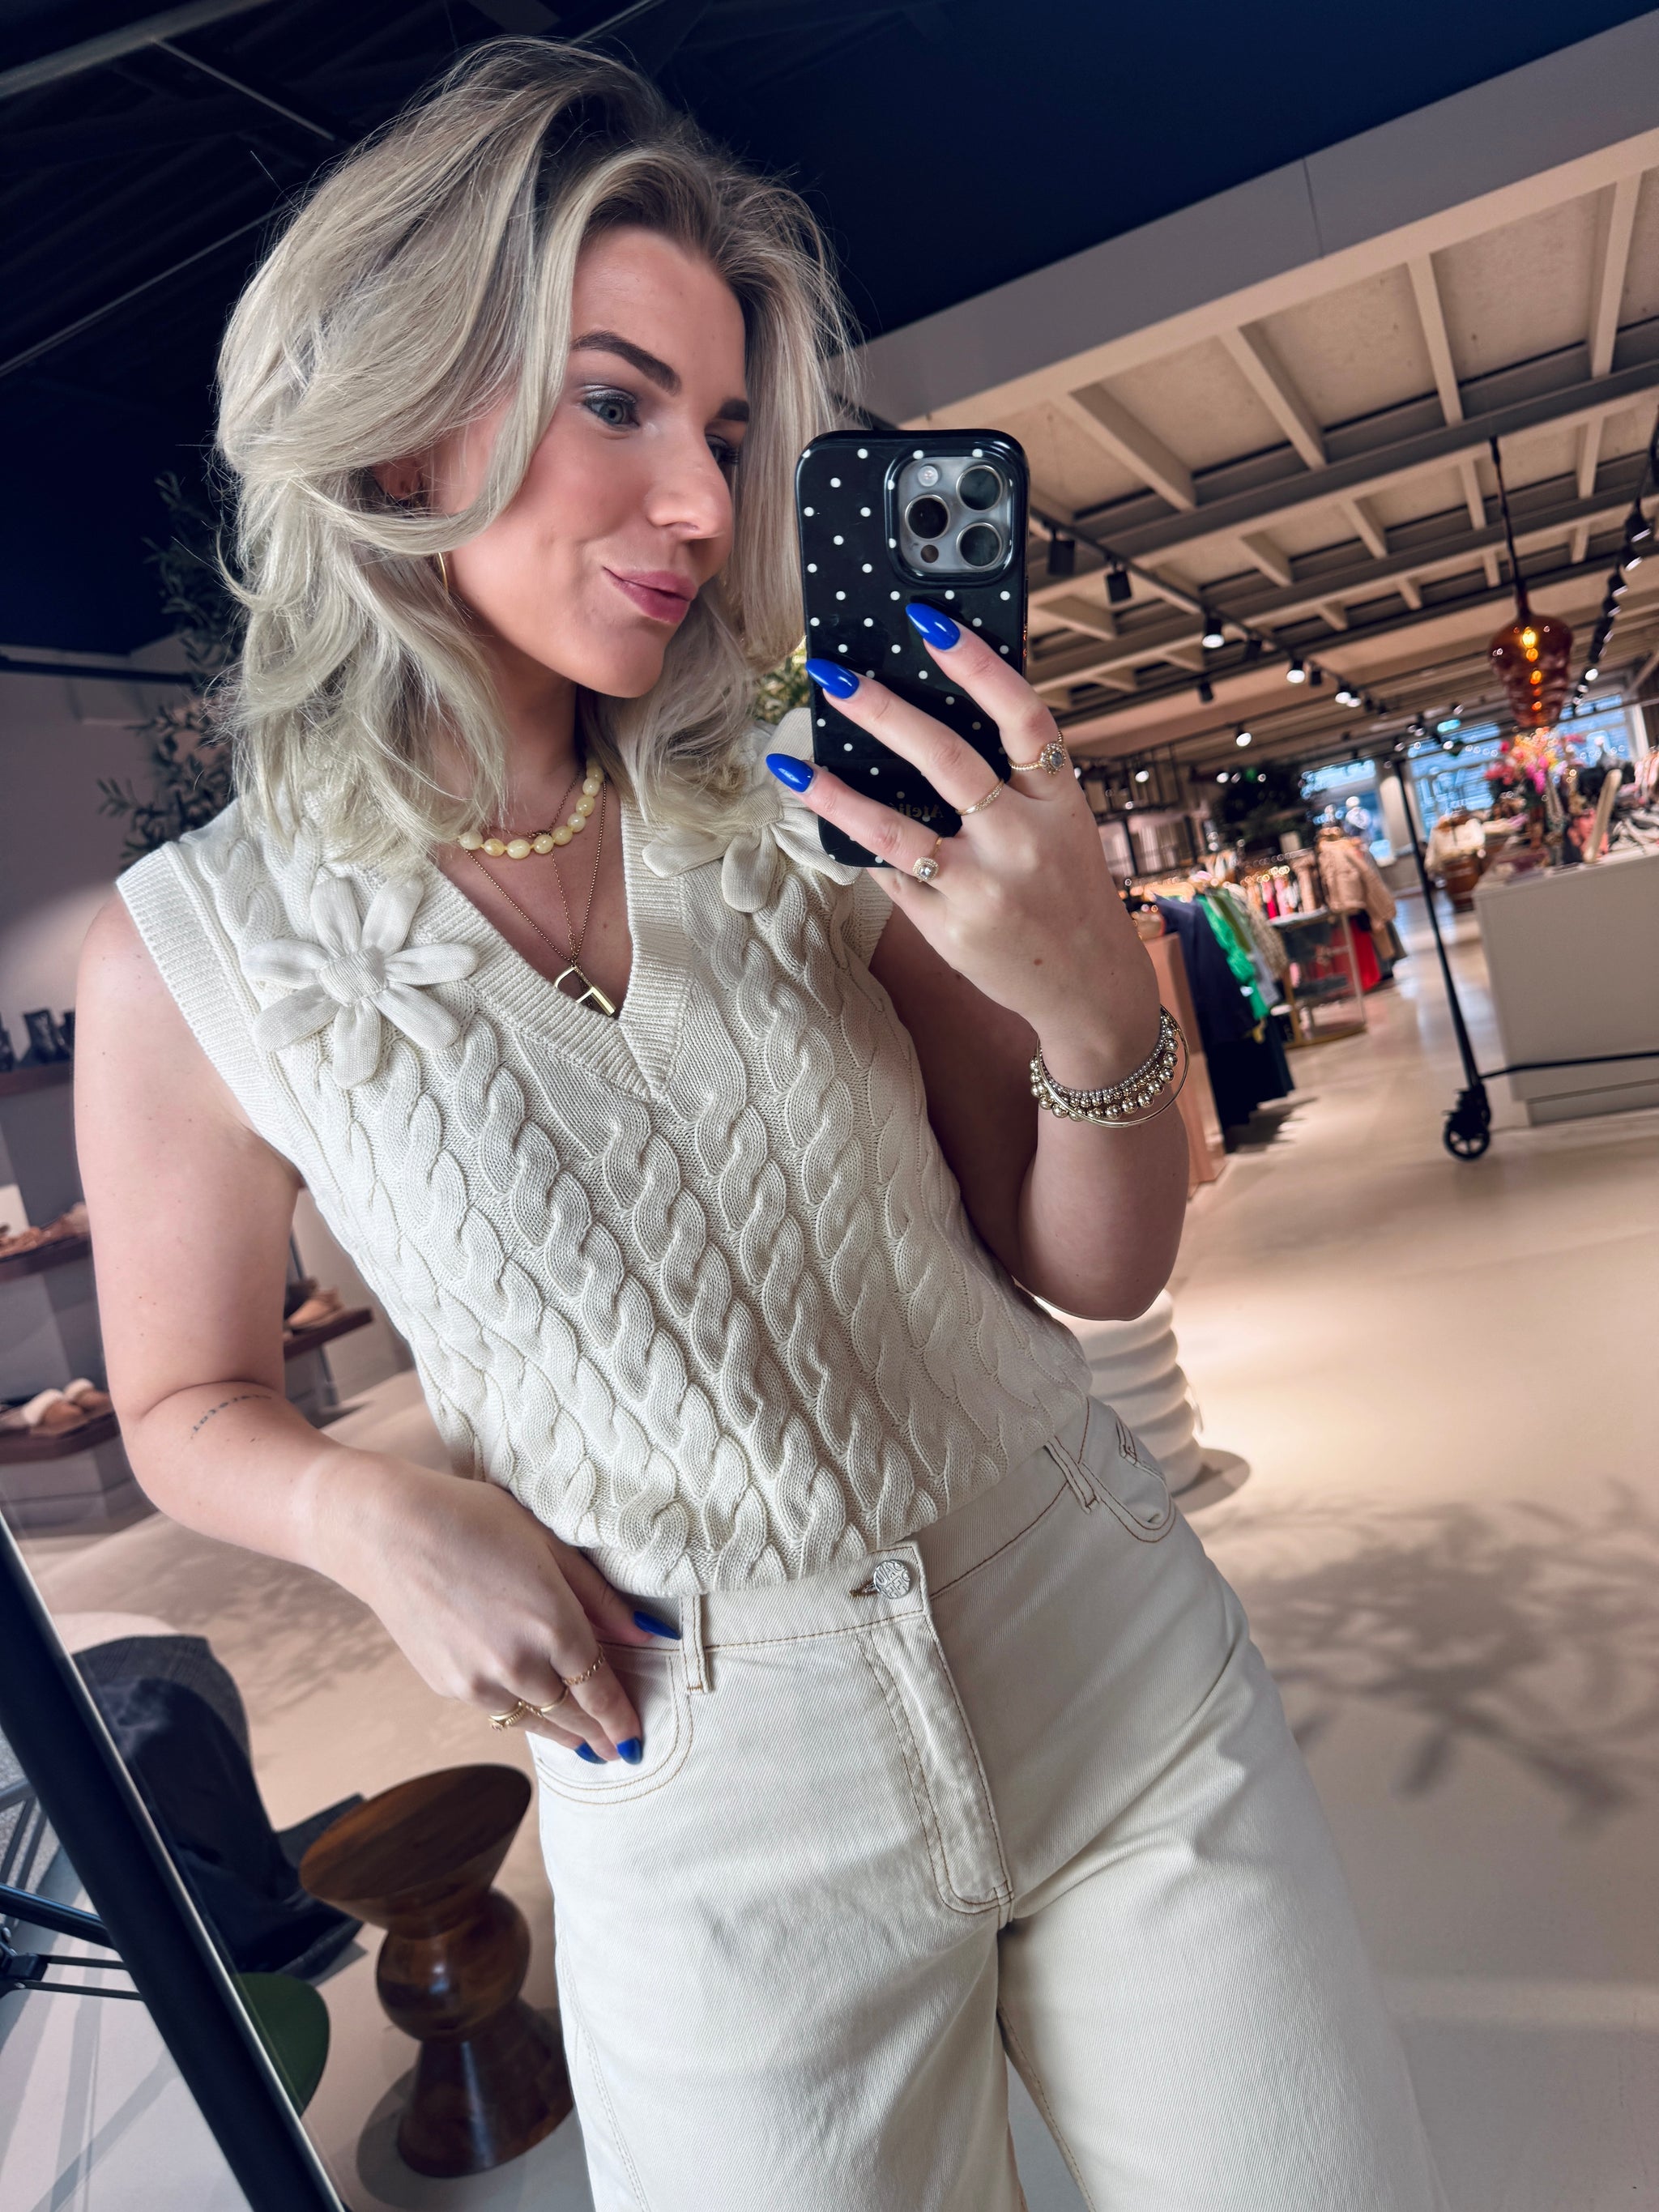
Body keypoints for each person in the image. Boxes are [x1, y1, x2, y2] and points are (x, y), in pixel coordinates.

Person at [76, 41, 1444, 2212]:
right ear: (409, 419)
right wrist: (369, 1515)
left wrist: (1097, 998)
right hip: (700, 1799)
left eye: (723, 434)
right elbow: (179, 1399)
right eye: (618, 405)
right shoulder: (191, 955)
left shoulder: (813, 790)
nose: (709, 505)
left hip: (1100, 1663)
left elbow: (1092, 1265)